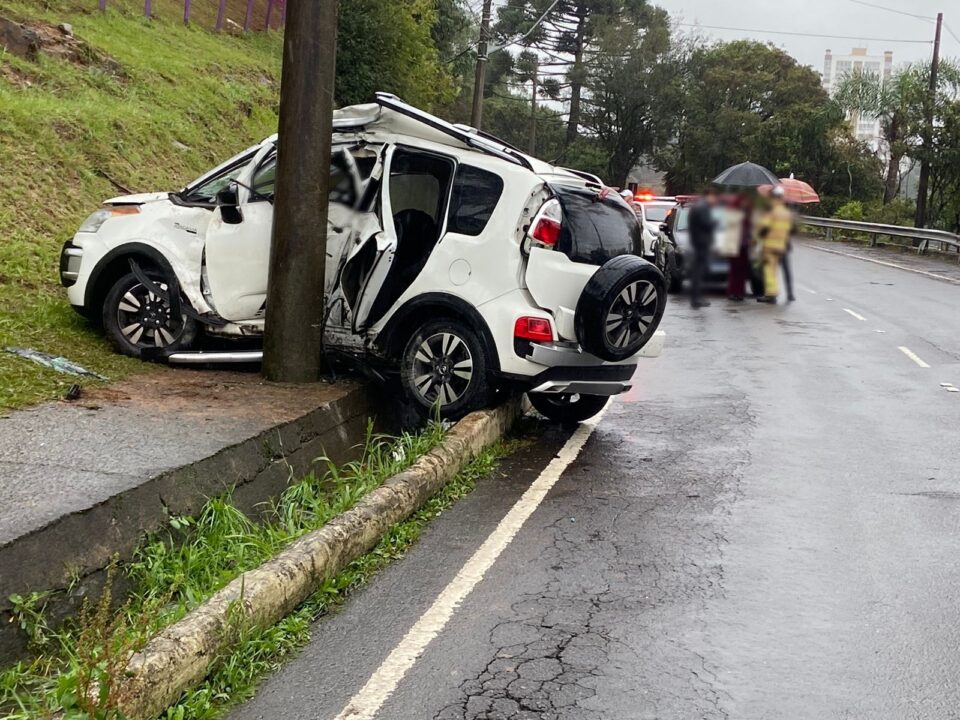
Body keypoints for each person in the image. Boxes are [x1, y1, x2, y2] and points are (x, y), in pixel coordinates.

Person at [756, 185, 793, 304]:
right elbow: (789, 230)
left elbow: (763, 229)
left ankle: (771, 295)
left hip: (769, 246)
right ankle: (777, 293)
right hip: (781, 246)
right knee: (775, 270)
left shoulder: (771, 211)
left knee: (769, 271)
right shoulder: (786, 213)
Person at [688, 189, 718, 308]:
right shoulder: (703, 207)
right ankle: (696, 298)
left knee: (699, 270)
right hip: (702, 242)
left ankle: (697, 297)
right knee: (699, 271)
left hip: (698, 241)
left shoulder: (697, 206)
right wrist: (715, 222)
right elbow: (706, 223)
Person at [726, 193, 753, 301]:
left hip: (744, 246)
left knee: (741, 270)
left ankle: (739, 292)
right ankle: (733, 291)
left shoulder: (747, 217)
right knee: (735, 270)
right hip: (735, 245)